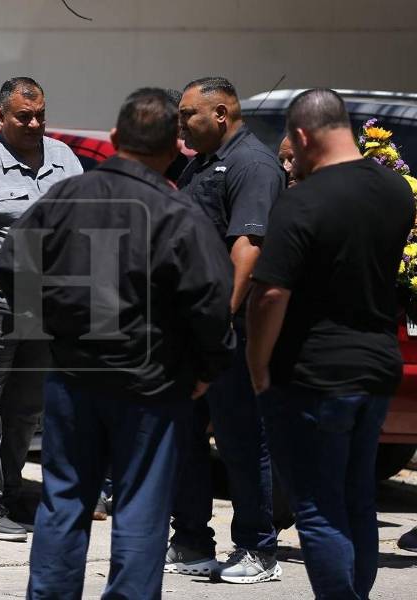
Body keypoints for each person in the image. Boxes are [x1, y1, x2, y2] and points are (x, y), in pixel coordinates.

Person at [0, 87, 234, 599]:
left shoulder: (62, 198)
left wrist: (52, 326)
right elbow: (211, 303)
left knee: (65, 499)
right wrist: (207, 370)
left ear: (113, 138)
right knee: (142, 506)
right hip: (152, 385)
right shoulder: (180, 213)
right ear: (176, 147)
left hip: (73, 375)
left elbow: (13, 268)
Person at [248, 88, 415, 600]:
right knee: (357, 499)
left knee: (318, 509)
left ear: (301, 136)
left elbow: (271, 291)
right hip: (375, 366)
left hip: (313, 374)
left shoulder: (302, 201)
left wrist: (257, 365)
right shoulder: (396, 191)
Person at [168, 76, 286, 583]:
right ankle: (192, 540)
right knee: (185, 435)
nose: (180, 124)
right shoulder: (202, 161)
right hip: (191, 326)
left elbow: (248, 251)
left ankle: (259, 549)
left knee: (239, 439)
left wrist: (217, 326)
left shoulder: (251, 165)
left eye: (187, 115)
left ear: (220, 114)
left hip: (228, 330)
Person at [0, 77, 83, 541]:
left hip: (47, 308)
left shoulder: (65, 160)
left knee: (26, 409)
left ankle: (11, 492)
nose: (34, 123)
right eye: (23, 116)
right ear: (1, 116)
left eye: (40, 115)